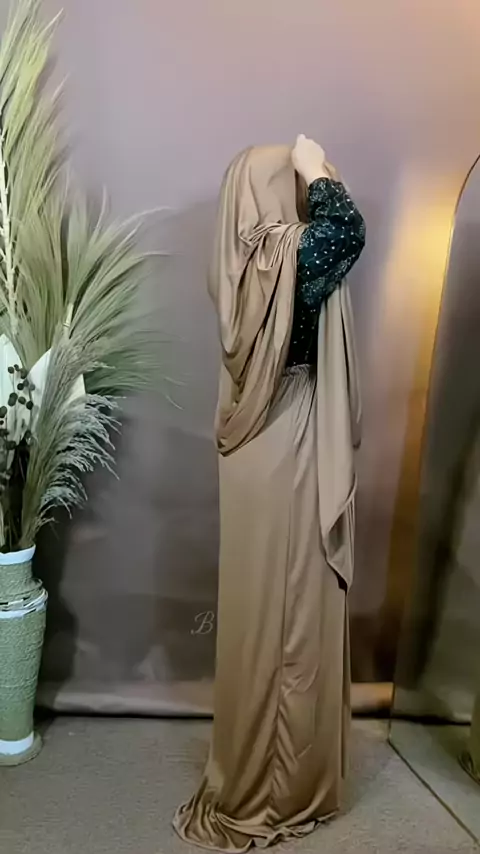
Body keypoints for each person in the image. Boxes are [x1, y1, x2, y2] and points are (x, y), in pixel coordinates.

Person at [173, 135, 366, 852]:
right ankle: (275, 783)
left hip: (255, 451)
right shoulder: (283, 258)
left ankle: (264, 769)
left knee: (266, 614)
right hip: (290, 441)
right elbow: (347, 230)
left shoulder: (241, 264)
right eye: (290, 181)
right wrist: (316, 170)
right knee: (290, 614)